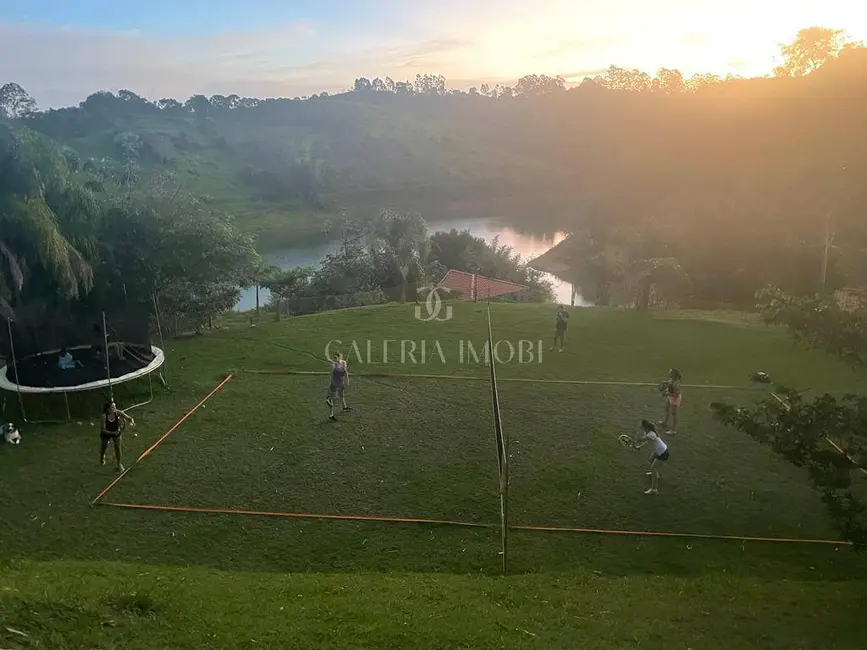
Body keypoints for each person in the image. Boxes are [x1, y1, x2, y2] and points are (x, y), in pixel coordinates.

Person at [633, 419, 669, 495]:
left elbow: (642, 439)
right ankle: (656, 475)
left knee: (653, 468)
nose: (640, 426)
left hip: (663, 453)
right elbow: (647, 441)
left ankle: (654, 489)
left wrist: (637, 436)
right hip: (659, 451)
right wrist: (639, 446)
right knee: (650, 460)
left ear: (645, 427)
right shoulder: (648, 432)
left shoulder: (651, 434)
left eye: (641, 425)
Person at [100, 399, 135, 472]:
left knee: (117, 448)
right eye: (112, 407)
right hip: (106, 433)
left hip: (116, 432)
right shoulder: (104, 416)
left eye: (115, 406)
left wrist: (131, 421)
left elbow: (128, 418)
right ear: (108, 409)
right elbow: (103, 430)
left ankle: (119, 464)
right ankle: (102, 456)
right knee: (104, 447)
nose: (115, 408)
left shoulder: (118, 413)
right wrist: (112, 433)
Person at [326, 352, 351, 421]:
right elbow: (331, 375)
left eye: (335, 357)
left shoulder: (344, 363)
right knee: (333, 399)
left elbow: (346, 372)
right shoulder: (333, 365)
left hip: (341, 383)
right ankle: (331, 415)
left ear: (340, 357)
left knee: (342, 395)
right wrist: (329, 385)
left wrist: (347, 380)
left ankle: (344, 406)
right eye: (334, 357)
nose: (334, 359)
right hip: (334, 383)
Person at [658, 368, 682, 435]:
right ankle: (665, 421)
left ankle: (673, 430)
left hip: (674, 399)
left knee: (674, 414)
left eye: (670, 372)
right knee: (666, 409)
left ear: (673, 374)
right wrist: (665, 382)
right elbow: (669, 382)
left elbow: (676, 394)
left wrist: (667, 394)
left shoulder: (676, 383)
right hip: (670, 396)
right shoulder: (672, 379)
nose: (668, 373)